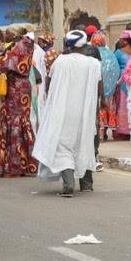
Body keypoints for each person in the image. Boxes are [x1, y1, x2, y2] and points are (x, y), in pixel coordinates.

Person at [33, 30, 102, 197]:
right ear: (85, 44)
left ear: (68, 45)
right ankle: (86, 184)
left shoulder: (60, 61)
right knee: (83, 143)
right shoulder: (93, 63)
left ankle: (68, 185)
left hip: (63, 111)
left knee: (64, 146)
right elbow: (99, 88)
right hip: (85, 112)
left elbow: (48, 86)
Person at [0, 25, 37, 177]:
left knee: (14, 122)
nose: (5, 35)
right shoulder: (20, 45)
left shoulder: (21, 46)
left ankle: (14, 166)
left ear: (15, 34)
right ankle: (24, 163)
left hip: (16, 88)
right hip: (20, 87)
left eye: (8, 33)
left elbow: (4, 65)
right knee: (19, 121)